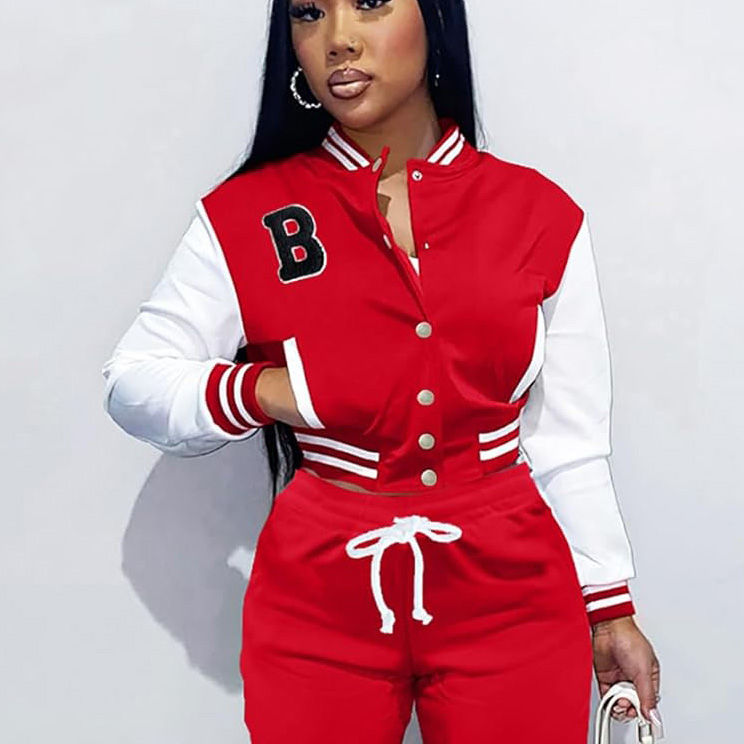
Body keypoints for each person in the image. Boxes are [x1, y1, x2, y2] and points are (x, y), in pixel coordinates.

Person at [101, 0, 663, 741]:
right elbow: (133, 381)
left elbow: (568, 441)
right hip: (316, 600)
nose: (338, 39)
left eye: (369, 3)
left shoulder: (538, 213)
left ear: (434, 18)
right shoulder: (247, 214)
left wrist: (608, 605)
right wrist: (267, 390)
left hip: (513, 596)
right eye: (309, 14)